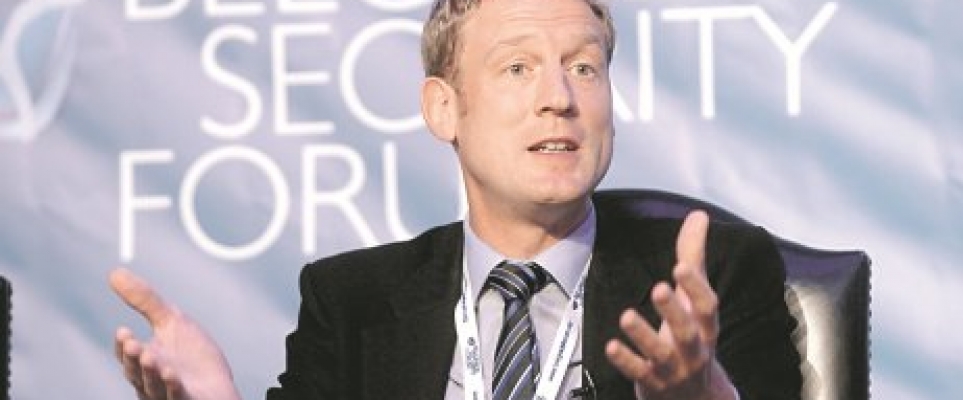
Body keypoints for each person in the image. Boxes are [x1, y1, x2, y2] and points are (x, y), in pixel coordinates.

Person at [111, 0, 802, 399]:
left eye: (584, 67)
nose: (559, 97)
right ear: (444, 109)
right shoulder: (351, 302)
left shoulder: (713, 276)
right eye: (518, 68)